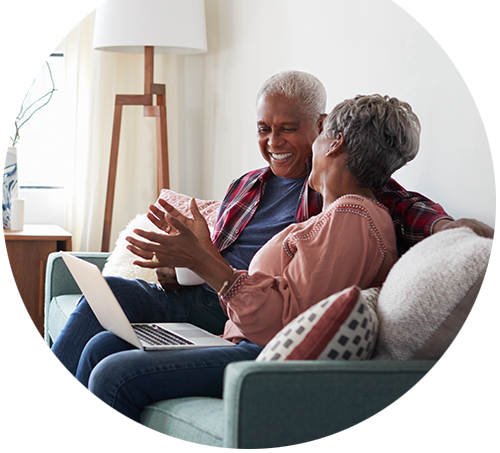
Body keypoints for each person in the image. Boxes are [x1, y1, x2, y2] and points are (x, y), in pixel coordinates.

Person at [3, 73, 494, 449]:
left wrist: (447, 228)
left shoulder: (351, 214)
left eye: (291, 130)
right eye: (264, 129)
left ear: (330, 137)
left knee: (113, 369)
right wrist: (183, 259)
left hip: (247, 334)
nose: (275, 141)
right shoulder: (264, 190)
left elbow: (285, 313)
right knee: (103, 335)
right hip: (223, 310)